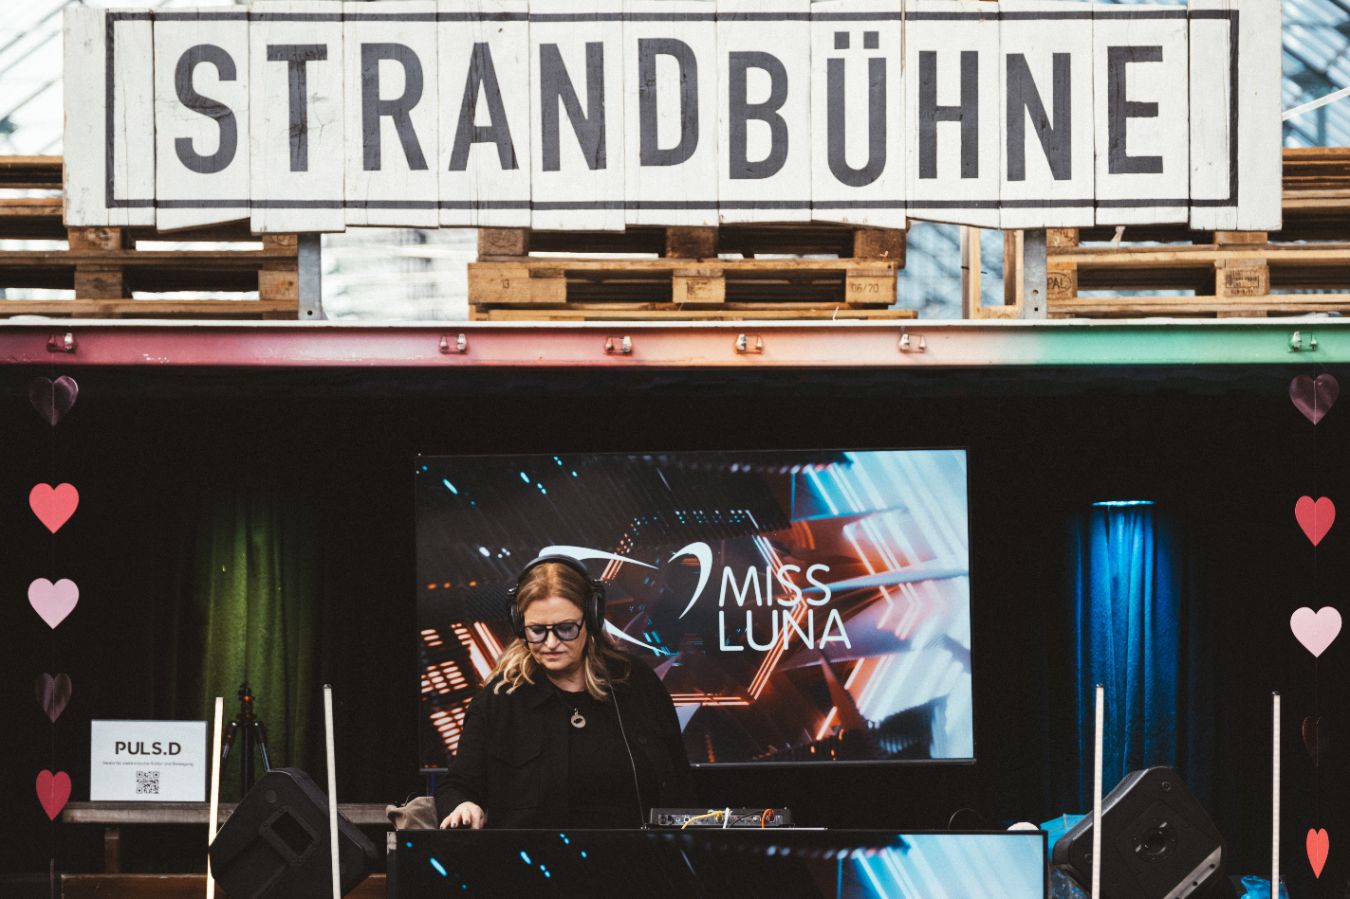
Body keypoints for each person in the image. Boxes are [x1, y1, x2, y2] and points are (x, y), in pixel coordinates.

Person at [435, 556, 694, 829]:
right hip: (534, 856)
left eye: (566, 629)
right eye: (537, 631)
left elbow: (681, 786)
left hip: (636, 854)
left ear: (591, 618)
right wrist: (463, 805)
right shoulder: (499, 701)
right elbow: (456, 787)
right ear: (520, 626)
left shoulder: (637, 682)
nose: (550, 643)